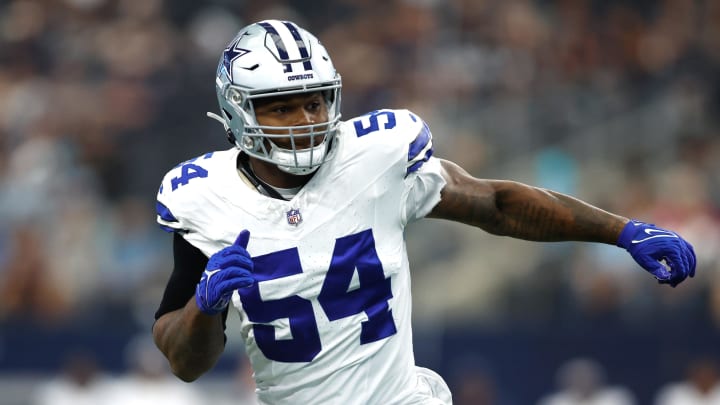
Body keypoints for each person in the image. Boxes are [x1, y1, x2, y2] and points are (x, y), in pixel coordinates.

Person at [151, 19, 697, 405]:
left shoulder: (376, 158)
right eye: (281, 107)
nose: (304, 118)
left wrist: (622, 230)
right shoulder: (202, 197)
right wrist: (205, 307)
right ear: (237, 112)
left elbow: (496, 203)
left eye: (314, 100)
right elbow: (184, 363)